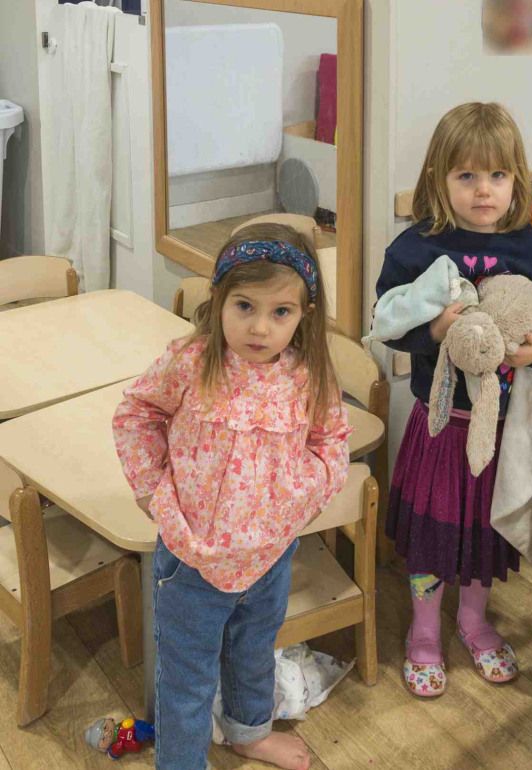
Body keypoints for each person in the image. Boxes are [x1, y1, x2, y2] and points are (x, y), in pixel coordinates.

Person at [112, 223, 350, 770]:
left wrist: (302, 494)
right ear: (218, 299)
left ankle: (248, 732)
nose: (260, 327)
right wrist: (151, 489)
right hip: (193, 561)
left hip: (270, 557)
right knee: (187, 679)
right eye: (244, 305)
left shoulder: (309, 375)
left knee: (252, 652)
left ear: (304, 315)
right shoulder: (191, 362)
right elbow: (137, 413)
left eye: (280, 313)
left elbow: (331, 439)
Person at [375, 102, 532, 698]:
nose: (482, 190)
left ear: (516, 179)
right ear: (439, 180)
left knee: (484, 529)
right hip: (441, 425)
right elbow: (386, 318)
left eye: (496, 176)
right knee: (433, 533)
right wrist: (434, 333)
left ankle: (472, 621)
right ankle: (424, 632)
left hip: (506, 429)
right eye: (466, 176)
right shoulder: (416, 248)